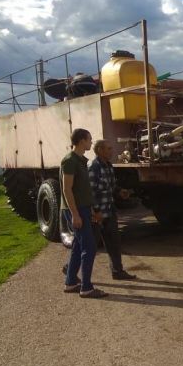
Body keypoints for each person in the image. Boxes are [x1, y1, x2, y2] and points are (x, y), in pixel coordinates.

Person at [61, 128, 108, 298]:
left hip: (83, 208)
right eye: (89, 139)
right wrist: (75, 214)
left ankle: (71, 282)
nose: (91, 142)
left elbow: (83, 190)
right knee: (88, 246)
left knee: (78, 246)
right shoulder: (69, 161)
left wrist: (92, 210)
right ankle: (86, 287)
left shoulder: (80, 161)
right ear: (81, 141)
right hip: (75, 209)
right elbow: (67, 189)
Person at [88, 139, 137, 280]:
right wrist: (96, 211)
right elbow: (90, 192)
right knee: (90, 246)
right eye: (109, 148)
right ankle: (70, 268)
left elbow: (111, 186)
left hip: (109, 211)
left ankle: (117, 271)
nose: (112, 151)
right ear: (100, 151)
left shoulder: (108, 166)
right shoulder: (93, 167)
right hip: (97, 214)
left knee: (114, 243)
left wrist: (120, 191)